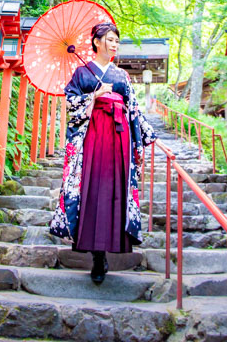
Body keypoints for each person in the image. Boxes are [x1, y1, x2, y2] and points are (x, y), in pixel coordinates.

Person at [49, 23, 157, 284]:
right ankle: (97, 255)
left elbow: (133, 108)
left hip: (119, 138)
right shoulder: (81, 73)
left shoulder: (122, 76)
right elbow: (71, 102)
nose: (114, 44)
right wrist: (94, 97)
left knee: (114, 191)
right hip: (93, 138)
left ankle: (108, 249)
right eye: (109, 39)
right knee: (93, 189)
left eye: (117, 40)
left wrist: (144, 136)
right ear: (96, 42)